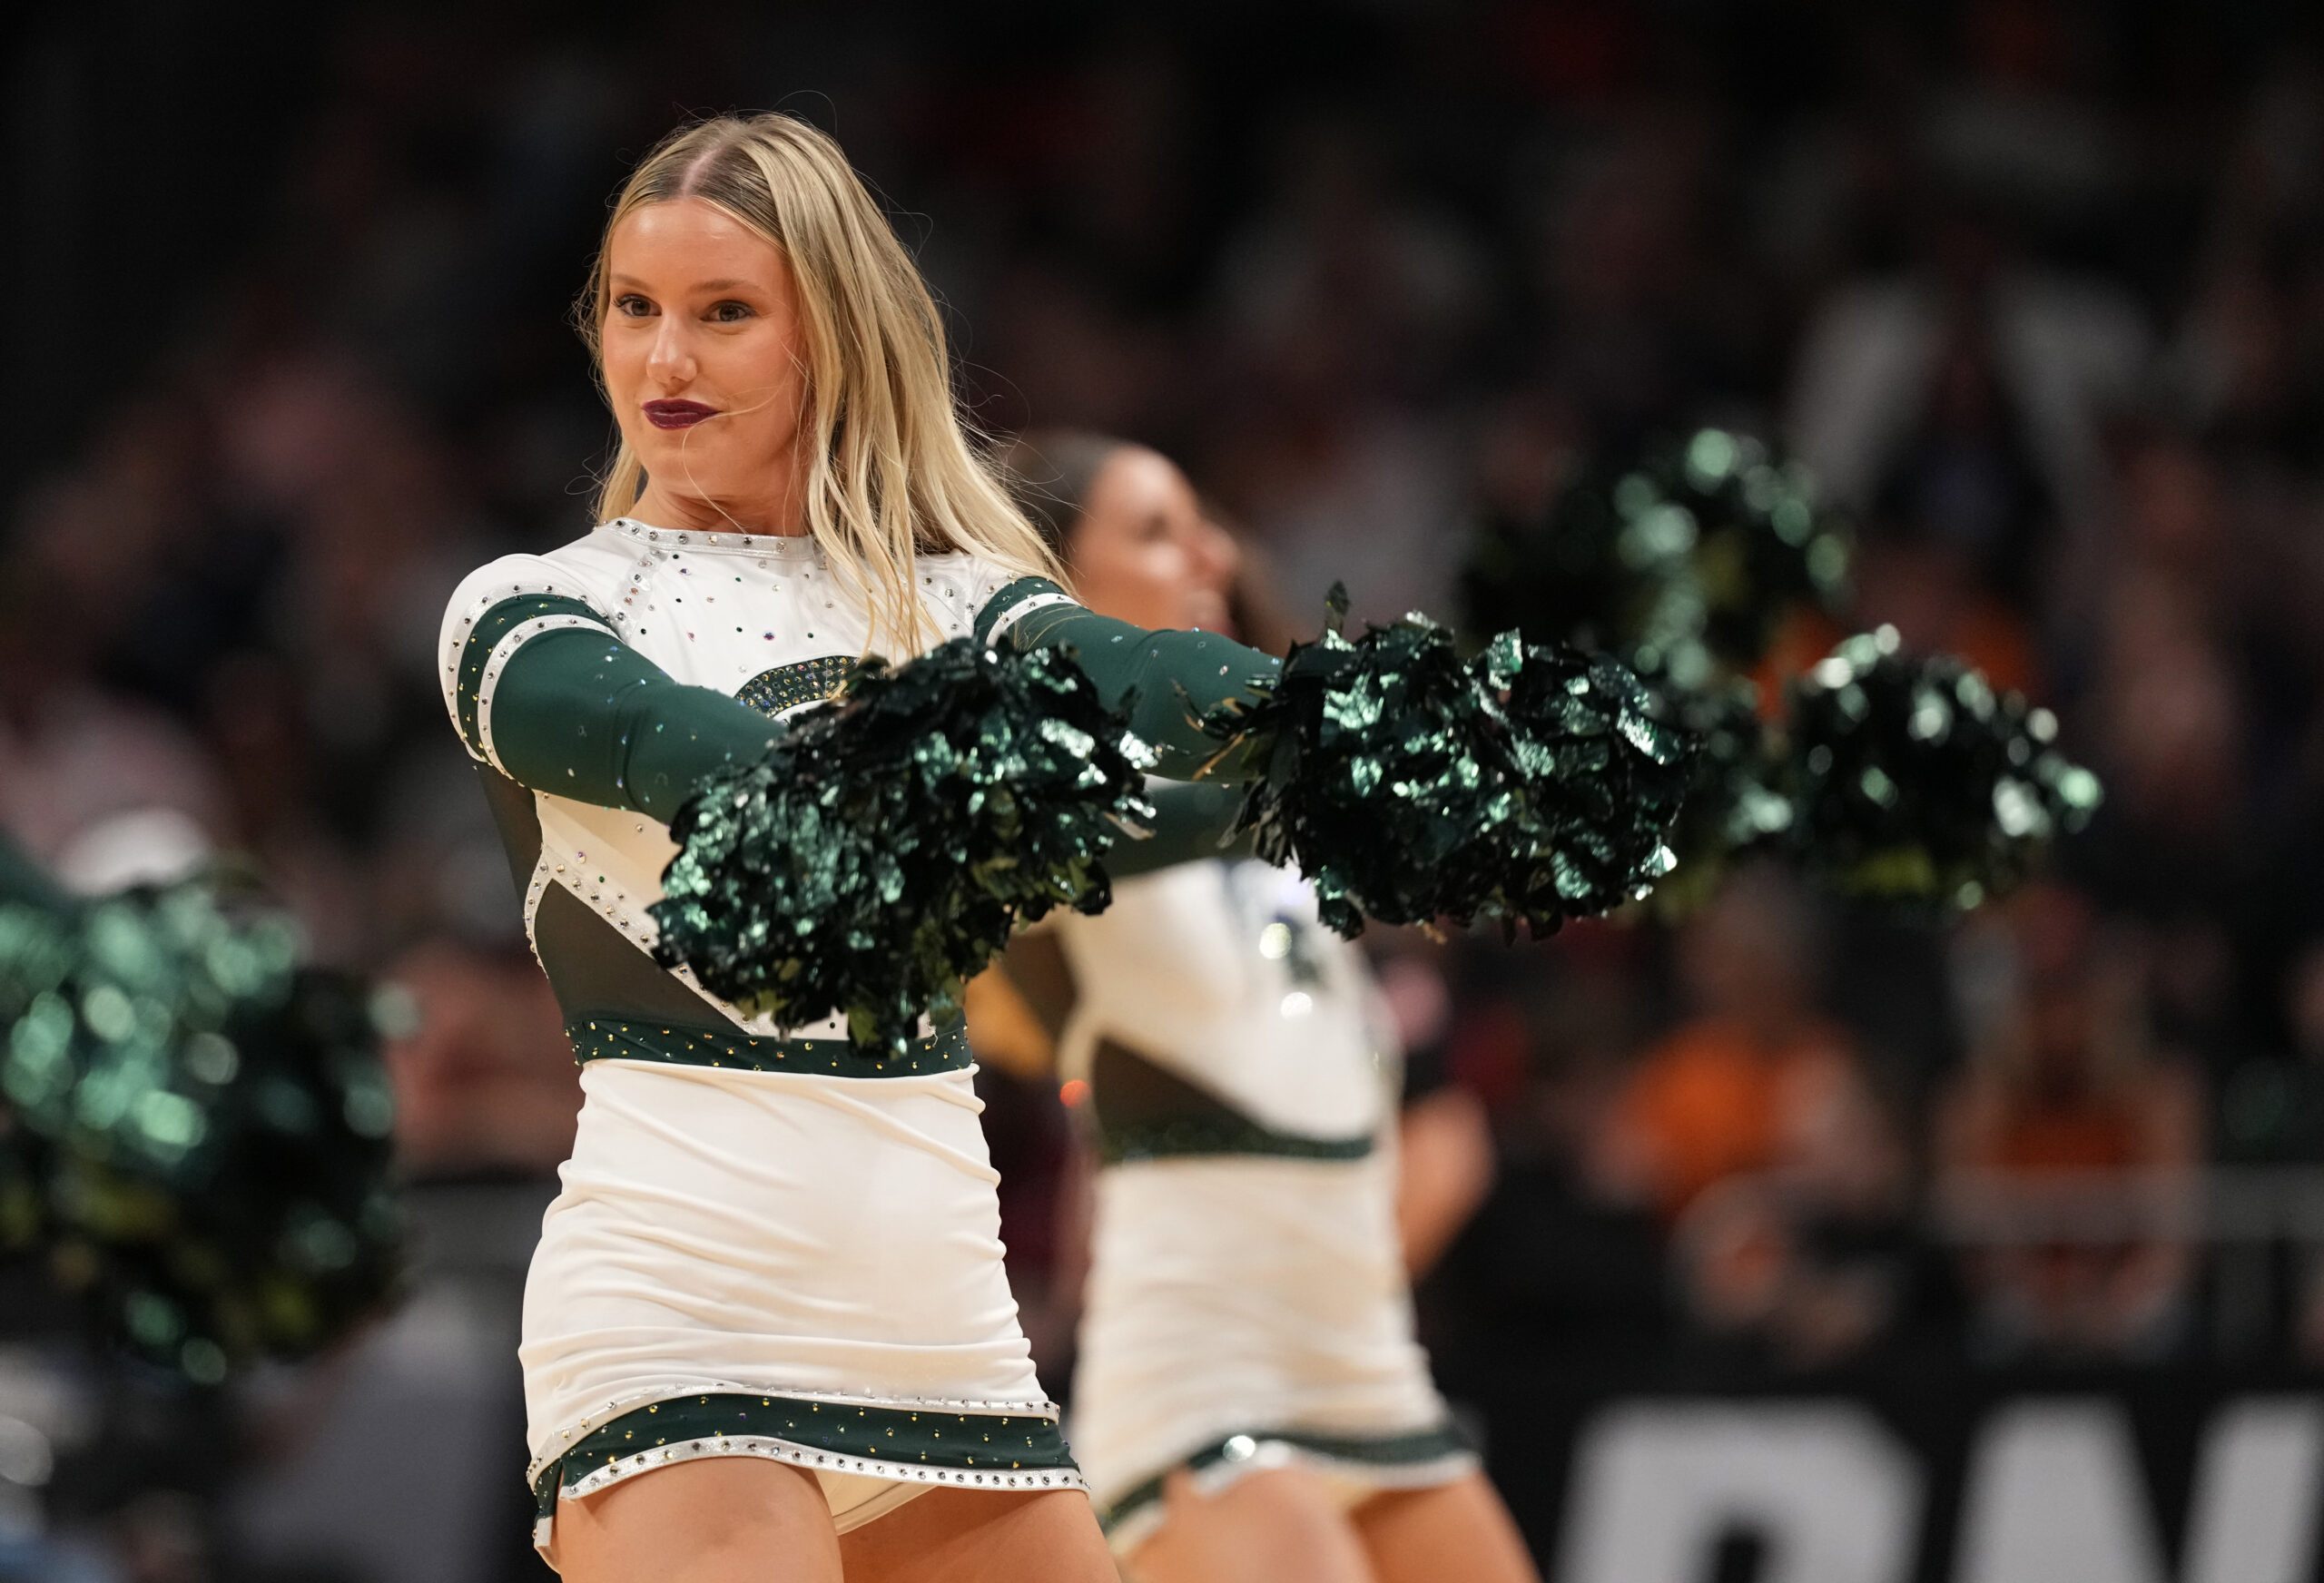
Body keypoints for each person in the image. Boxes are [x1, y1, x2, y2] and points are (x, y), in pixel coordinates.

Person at [437, 114, 1327, 1583]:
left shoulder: (965, 604)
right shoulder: (528, 604)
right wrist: (891, 786)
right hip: (683, 1318)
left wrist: (1371, 732)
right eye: (636, 309)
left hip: (943, 1333)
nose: (666, 360)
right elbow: (669, 739)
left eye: (725, 313)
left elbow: (1154, 683)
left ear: (831, 335)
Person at [993, 430, 1539, 1583]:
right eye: (1153, 531)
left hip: (1365, 1357)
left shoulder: (1275, 798)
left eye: (1203, 521)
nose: (1212, 549)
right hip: (1203, 1369)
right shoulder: (1036, 785)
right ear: (1046, 587)